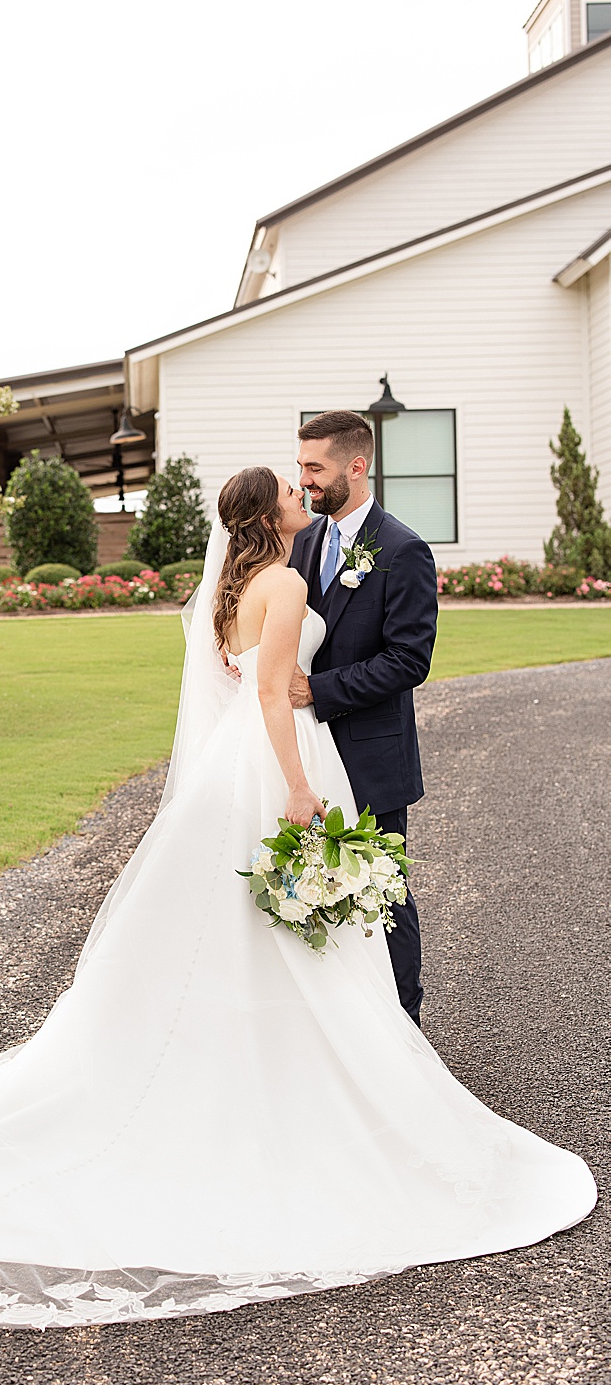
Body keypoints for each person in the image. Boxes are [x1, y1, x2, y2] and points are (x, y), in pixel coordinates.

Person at [0, 468, 595, 1330]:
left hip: (235, 775)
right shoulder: (283, 585)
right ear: (272, 517)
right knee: (296, 927)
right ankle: (304, 1079)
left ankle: (272, 1064)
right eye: (287, 491)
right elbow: (275, 696)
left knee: (257, 929)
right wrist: (301, 789)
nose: (299, 493)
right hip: (284, 764)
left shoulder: (233, 585)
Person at [290, 410, 437, 1026]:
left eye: (314, 468)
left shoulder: (404, 550)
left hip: (371, 755)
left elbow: (409, 660)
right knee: (309, 891)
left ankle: (405, 1030)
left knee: (381, 895)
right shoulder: (304, 541)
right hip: (304, 754)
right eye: (300, 468)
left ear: (356, 466)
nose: (304, 481)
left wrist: (316, 691)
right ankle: (336, 1029)